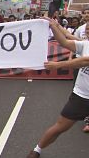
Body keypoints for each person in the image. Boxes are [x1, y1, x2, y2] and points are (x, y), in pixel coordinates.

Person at [27, 17, 89, 158]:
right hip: (81, 96)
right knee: (61, 126)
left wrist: (58, 65)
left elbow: (85, 61)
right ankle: (37, 150)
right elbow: (64, 42)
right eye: (87, 29)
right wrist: (54, 26)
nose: (87, 31)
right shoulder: (85, 44)